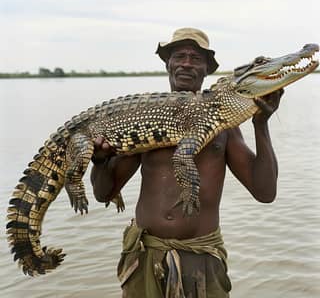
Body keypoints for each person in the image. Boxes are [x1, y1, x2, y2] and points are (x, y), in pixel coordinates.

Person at [90, 28, 284, 297]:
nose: (186, 63)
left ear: (207, 70)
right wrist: (99, 161)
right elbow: (103, 193)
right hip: (146, 256)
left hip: (201, 257)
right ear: (168, 64)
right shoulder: (143, 118)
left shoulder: (224, 127)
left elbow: (265, 192)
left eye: (196, 58)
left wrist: (261, 123)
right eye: (179, 56)